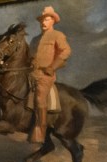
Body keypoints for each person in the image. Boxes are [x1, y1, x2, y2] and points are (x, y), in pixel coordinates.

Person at [29, 6, 71, 144]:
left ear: (53, 21)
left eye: (46, 19)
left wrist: (52, 67)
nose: (43, 22)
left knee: (40, 98)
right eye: (42, 20)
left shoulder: (57, 35)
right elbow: (30, 56)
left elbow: (66, 51)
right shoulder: (35, 39)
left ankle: (40, 130)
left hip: (45, 75)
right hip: (31, 73)